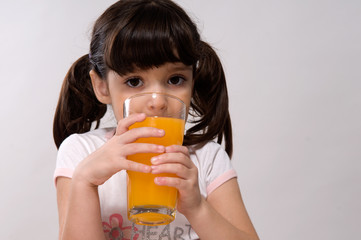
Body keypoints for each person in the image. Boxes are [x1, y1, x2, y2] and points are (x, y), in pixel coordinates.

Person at [53, 0, 259, 239]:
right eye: (134, 81)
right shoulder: (82, 154)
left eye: (175, 80)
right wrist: (84, 182)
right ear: (102, 87)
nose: (158, 101)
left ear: (193, 81)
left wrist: (198, 208)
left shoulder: (206, 159)